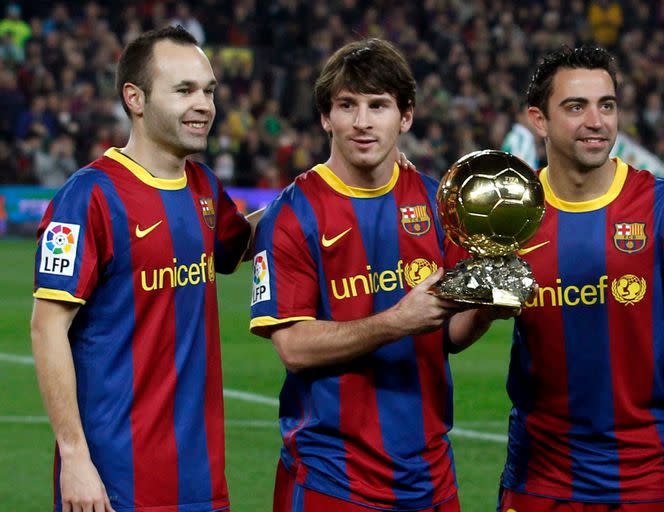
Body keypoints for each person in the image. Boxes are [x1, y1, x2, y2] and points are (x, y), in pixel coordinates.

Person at [249, 38, 511, 512]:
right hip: (330, 478)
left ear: (405, 116)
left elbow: (448, 332)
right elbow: (292, 346)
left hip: (430, 477)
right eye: (347, 105)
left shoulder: (438, 204)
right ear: (326, 117)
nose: (363, 122)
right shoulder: (292, 213)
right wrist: (397, 320)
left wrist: (488, 308)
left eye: (379, 105)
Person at [31, 26, 258, 512]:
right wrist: (74, 458)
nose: (204, 104)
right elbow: (47, 327)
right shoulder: (88, 196)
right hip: (114, 482)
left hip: (201, 479)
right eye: (184, 90)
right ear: (135, 98)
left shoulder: (203, 186)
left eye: (209, 90)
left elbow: (243, 245)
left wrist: (315, 191)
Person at [499, 46, 664, 512]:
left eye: (607, 105)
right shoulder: (512, 214)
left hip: (644, 476)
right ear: (538, 120)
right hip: (539, 477)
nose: (597, 121)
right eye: (575, 106)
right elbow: (462, 331)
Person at [501, 99, 539, 170]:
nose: (533, 118)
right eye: (529, 115)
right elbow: (519, 169)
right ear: (520, 117)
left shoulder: (518, 136)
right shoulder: (521, 139)